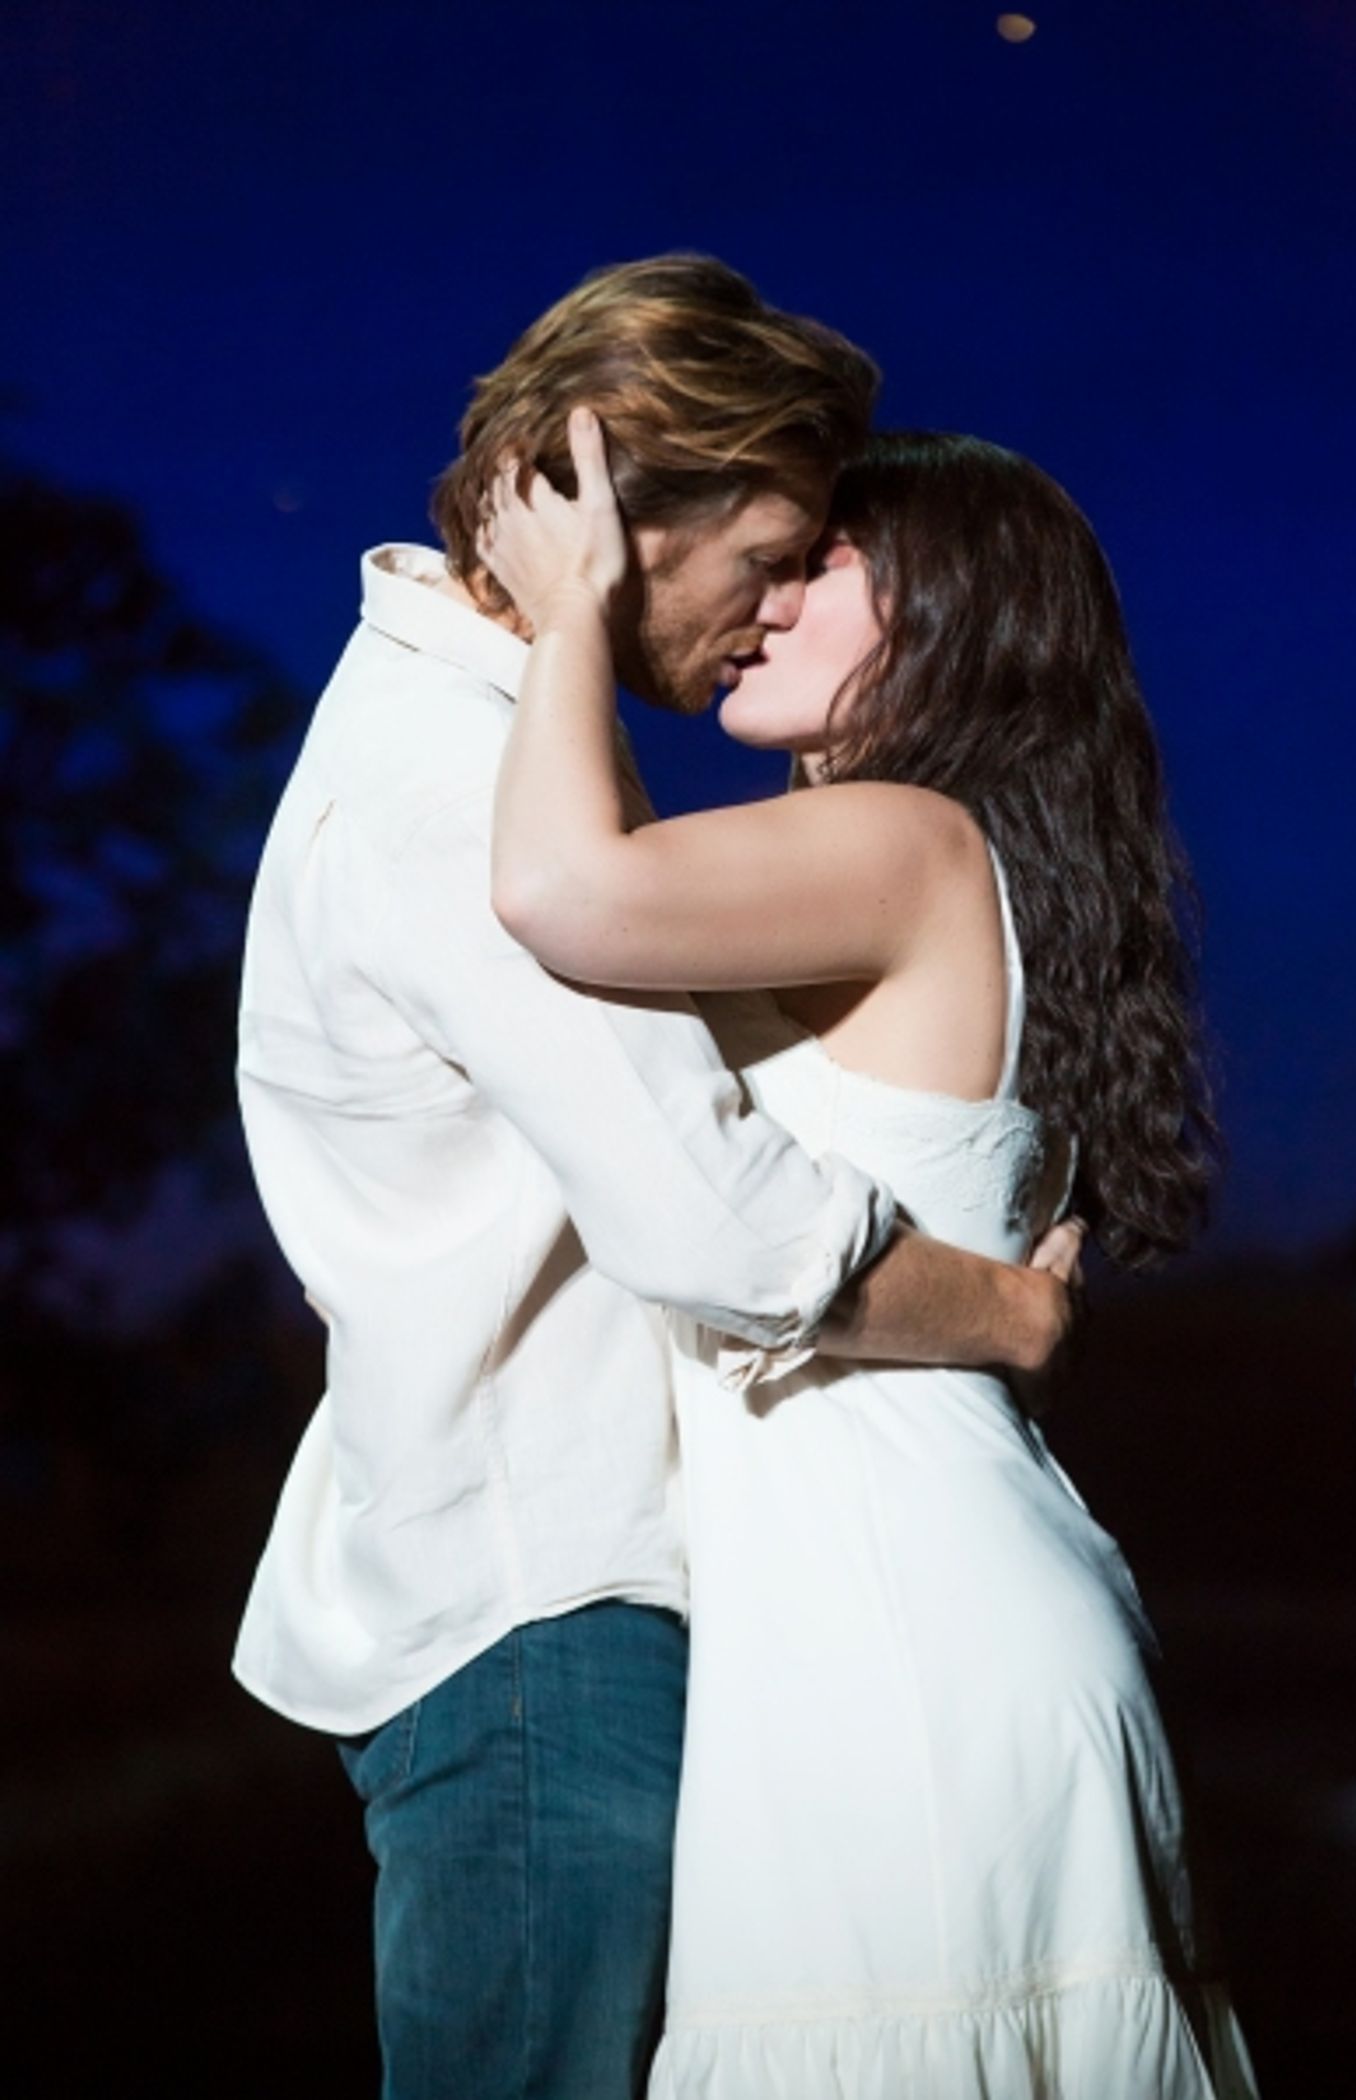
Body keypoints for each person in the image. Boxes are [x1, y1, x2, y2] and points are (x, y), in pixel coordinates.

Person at [232, 257, 1083, 2100]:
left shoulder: (486, 741)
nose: (778, 605)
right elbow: (725, 1225)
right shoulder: (465, 793)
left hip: (574, 1605)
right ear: (610, 518)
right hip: (553, 1620)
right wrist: (1011, 1302)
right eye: (770, 552)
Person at [478, 414, 1259, 2096]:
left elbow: (557, 888)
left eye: (823, 561)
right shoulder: (939, 864)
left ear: (957, 611)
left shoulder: (904, 838)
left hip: (902, 1645)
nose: (763, 599)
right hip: (907, 1613)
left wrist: (568, 614)